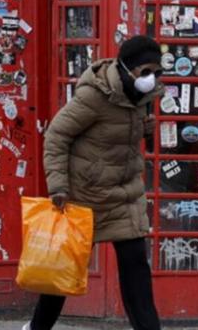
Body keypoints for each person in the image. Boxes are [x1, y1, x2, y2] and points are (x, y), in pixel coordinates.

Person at [23, 35, 164, 330]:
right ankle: (38, 328)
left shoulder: (142, 98)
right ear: (127, 69)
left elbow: (118, 137)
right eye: (146, 71)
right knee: (63, 269)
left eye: (157, 72)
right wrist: (58, 186)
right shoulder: (95, 96)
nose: (151, 78)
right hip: (85, 195)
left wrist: (146, 131)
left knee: (136, 265)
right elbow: (56, 136)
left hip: (125, 194)